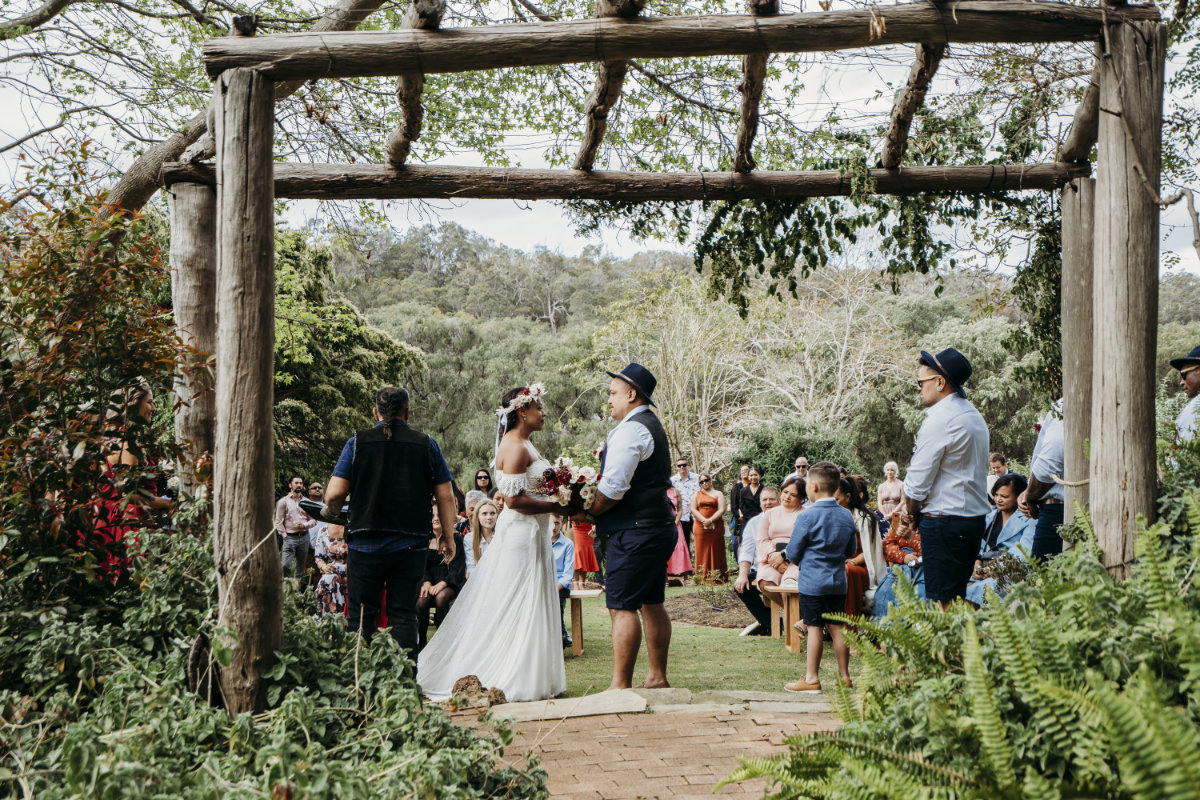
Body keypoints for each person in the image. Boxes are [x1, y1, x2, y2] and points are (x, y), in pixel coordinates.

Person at [418, 384, 567, 702]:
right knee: (515, 602)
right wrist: (558, 506)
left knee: (530, 599)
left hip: (534, 534)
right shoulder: (514, 447)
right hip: (521, 536)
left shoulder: (525, 443)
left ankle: (534, 673)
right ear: (522, 412)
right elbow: (512, 501)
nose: (544, 413)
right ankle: (509, 672)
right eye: (539, 407)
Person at [321, 387, 458, 667]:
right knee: (403, 615)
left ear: (375, 413)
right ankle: (404, 686)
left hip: (364, 543)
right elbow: (446, 496)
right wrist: (447, 536)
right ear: (408, 413)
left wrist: (335, 512)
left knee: (360, 617)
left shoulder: (357, 442)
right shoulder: (426, 444)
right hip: (410, 545)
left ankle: (360, 683)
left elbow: (333, 494)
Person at [573, 363, 676, 691]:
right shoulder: (650, 425)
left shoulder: (632, 430)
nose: (610, 400)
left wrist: (590, 512)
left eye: (614, 393)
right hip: (656, 526)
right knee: (651, 602)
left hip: (634, 531)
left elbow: (615, 487)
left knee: (621, 606)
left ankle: (620, 686)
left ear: (632, 394)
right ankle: (657, 677)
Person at [897, 348, 990, 610]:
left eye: (921, 382)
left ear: (940, 382)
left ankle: (990, 634)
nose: (919, 388)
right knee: (953, 596)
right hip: (968, 520)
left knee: (945, 602)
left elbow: (917, 481)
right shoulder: (971, 415)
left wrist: (911, 513)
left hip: (945, 520)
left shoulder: (941, 419)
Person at [777, 463, 857, 693]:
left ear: (813, 486)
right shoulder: (846, 516)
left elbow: (792, 553)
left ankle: (812, 678)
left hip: (813, 581)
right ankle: (845, 677)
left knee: (813, 627)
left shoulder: (807, 516)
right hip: (838, 582)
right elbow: (850, 550)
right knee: (838, 627)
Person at [91, 382, 171, 581]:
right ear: (133, 405)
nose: (153, 408)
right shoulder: (126, 444)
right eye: (149, 402)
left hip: (129, 517)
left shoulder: (120, 437)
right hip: (127, 523)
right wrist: (170, 504)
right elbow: (130, 495)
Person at [967, 473, 1035, 606]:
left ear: (1019, 496)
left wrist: (998, 568)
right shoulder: (989, 516)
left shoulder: (1030, 519)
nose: (998, 499)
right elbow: (976, 545)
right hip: (983, 570)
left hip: (1009, 572)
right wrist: (975, 562)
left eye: (1004, 496)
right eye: (996, 495)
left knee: (975, 592)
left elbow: (1025, 551)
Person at [1018, 399, 1066, 559]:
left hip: (1059, 512)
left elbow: (1050, 464)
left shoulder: (1066, 403)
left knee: (1045, 579)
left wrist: (1030, 496)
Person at [416, 502, 467, 650]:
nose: (435, 518)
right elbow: (422, 566)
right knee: (422, 600)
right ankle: (422, 642)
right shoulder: (425, 539)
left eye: (439, 515)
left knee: (441, 598)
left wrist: (443, 583)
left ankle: (442, 641)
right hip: (429, 581)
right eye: (432, 515)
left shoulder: (455, 538)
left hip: (450, 581)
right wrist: (426, 582)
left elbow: (458, 567)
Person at [733, 486, 779, 635]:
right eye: (764, 500)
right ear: (760, 503)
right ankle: (771, 623)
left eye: (772, 499)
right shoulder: (753, 523)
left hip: (785, 570)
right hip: (761, 570)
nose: (768, 503)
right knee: (742, 586)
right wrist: (742, 575)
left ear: (779, 500)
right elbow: (746, 552)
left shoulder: (788, 519)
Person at [841, 476, 886, 616]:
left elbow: (870, 550)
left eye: (836, 497)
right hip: (837, 563)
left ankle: (851, 624)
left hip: (862, 565)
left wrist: (853, 561)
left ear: (848, 496)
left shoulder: (865, 518)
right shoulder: (832, 516)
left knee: (849, 571)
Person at [871, 514, 925, 618]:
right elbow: (887, 544)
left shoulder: (930, 520)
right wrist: (904, 556)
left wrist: (911, 538)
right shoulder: (899, 518)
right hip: (900, 567)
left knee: (921, 598)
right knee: (884, 594)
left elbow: (932, 551)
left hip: (923, 568)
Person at [757, 476, 806, 588]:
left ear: (801, 498)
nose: (787, 497)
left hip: (796, 560)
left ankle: (790, 606)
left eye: (793, 495)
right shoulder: (769, 514)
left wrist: (785, 556)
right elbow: (762, 540)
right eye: (785, 492)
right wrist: (774, 558)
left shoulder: (805, 515)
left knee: (788, 585)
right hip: (771, 559)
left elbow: (805, 541)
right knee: (766, 582)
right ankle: (784, 606)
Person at [275, 476, 318, 588]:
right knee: (285, 566)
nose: (299, 485)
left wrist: (305, 525)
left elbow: (314, 520)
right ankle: (285, 592)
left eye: (301, 483)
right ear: (290, 485)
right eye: (296, 483)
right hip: (289, 537)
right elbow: (278, 521)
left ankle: (296, 595)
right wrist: (284, 535)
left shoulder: (307, 502)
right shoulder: (283, 502)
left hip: (304, 537)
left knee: (300, 569)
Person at [690, 473, 728, 581]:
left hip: (716, 525)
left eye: (706, 480)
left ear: (711, 480)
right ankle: (702, 577)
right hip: (700, 526)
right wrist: (704, 521)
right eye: (701, 482)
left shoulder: (718, 493)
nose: (704, 483)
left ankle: (718, 577)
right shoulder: (696, 495)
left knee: (717, 549)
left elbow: (721, 509)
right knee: (701, 551)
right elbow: (693, 509)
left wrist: (711, 520)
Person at [313, 523, 349, 619]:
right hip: (331, 569)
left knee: (330, 578)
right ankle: (327, 620)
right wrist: (324, 567)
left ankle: (339, 619)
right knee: (325, 582)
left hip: (350, 568)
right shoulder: (323, 530)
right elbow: (318, 557)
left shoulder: (351, 528)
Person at [551, 515, 575, 649]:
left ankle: (560, 638)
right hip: (544, 583)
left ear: (561, 523)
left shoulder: (567, 544)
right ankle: (563, 635)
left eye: (556, 523)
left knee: (556, 606)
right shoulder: (540, 542)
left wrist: (556, 587)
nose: (553, 527)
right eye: (550, 523)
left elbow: (568, 574)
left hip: (560, 584)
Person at [669, 457, 701, 552]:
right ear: (676, 467)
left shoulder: (697, 478)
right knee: (684, 541)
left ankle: (702, 564)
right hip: (682, 515)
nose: (682, 467)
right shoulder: (672, 481)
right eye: (680, 465)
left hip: (697, 514)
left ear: (688, 465)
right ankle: (688, 565)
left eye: (684, 465)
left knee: (700, 539)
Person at [732, 466, 763, 555]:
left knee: (760, 544)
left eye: (755, 475)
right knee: (747, 545)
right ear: (749, 477)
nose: (753, 477)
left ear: (759, 476)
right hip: (747, 521)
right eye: (751, 475)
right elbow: (741, 506)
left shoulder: (764, 489)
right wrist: (749, 518)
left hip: (761, 520)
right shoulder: (743, 491)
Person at [665, 486, 693, 583]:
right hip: (663, 524)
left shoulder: (675, 490)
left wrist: (675, 522)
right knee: (665, 549)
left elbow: (680, 509)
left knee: (681, 546)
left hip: (676, 523)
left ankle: (686, 577)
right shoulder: (658, 490)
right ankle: (665, 579)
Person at [463, 499, 498, 576]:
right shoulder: (469, 538)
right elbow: (471, 568)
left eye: (492, 513)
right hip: (479, 579)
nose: (489, 517)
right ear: (477, 516)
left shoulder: (501, 536)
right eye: (484, 514)